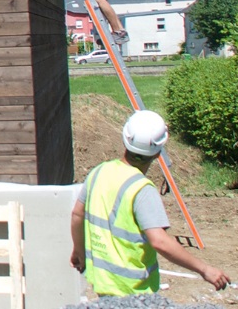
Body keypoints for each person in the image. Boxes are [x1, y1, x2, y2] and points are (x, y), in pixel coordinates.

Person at [71, 110, 229, 296]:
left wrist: (78, 250)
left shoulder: (98, 172)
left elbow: (77, 215)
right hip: (134, 292)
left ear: (125, 140)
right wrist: (205, 269)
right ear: (157, 153)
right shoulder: (141, 189)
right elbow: (160, 241)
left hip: (104, 286)